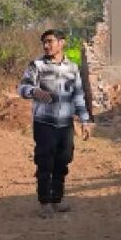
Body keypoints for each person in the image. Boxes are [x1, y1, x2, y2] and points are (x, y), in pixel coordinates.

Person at [18, 29, 94, 219]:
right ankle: (45, 202)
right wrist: (34, 92)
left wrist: (84, 120)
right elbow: (22, 87)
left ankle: (57, 200)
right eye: (44, 42)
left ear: (62, 43)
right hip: (44, 123)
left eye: (50, 41)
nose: (46, 45)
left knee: (63, 159)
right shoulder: (37, 65)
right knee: (45, 161)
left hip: (65, 124)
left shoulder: (72, 68)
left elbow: (78, 96)